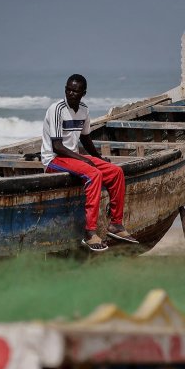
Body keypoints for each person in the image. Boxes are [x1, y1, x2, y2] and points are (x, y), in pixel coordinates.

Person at [41, 74, 138, 252]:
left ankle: (116, 224)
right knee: (94, 175)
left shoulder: (84, 109)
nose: (70, 93)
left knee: (115, 172)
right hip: (54, 159)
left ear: (83, 93)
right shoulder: (56, 109)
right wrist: (85, 160)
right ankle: (89, 232)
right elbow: (57, 147)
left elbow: (85, 138)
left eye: (75, 91)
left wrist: (98, 158)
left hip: (72, 157)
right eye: (68, 89)